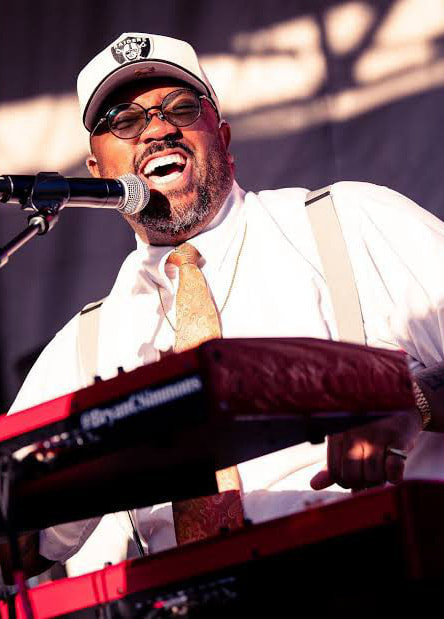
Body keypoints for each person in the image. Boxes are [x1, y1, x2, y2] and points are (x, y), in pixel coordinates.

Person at [4, 31, 444, 578]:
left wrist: (412, 402)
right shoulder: (84, 346)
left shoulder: (349, 222)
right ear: (96, 170)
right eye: (125, 120)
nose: (158, 129)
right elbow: (15, 544)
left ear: (224, 137)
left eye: (181, 108)